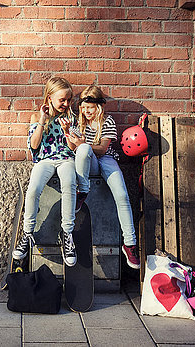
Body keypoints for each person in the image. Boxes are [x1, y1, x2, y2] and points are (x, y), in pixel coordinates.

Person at [66, 85, 140, 269]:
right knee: (83, 149)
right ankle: (82, 191)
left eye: (89, 107)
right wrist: (69, 133)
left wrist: (83, 143)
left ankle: (129, 243)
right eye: (83, 107)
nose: (85, 111)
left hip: (106, 159)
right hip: (89, 163)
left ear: (99, 106)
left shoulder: (107, 121)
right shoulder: (77, 122)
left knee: (122, 195)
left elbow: (103, 149)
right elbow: (74, 148)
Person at [13, 77, 78, 267]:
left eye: (69, 100)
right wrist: (43, 119)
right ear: (50, 98)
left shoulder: (72, 118)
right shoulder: (37, 118)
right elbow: (34, 146)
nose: (66, 104)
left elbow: (74, 148)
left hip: (66, 159)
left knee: (69, 185)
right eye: (62, 100)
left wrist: (68, 131)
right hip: (45, 160)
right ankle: (27, 235)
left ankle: (67, 235)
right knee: (33, 190)